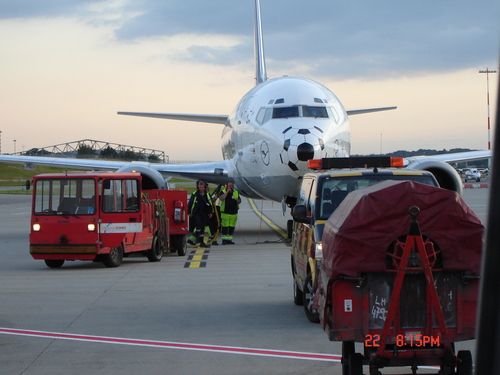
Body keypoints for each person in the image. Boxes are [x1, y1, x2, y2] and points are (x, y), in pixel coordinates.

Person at [188, 180, 214, 247]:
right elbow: (190, 203)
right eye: (200, 185)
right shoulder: (194, 194)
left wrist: (210, 212)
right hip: (196, 213)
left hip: (204, 214)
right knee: (198, 227)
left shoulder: (207, 194)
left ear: (204, 186)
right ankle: (196, 241)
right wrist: (189, 212)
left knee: (202, 228)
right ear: (198, 186)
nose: (201, 186)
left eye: (202, 185)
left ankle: (196, 241)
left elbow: (210, 204)